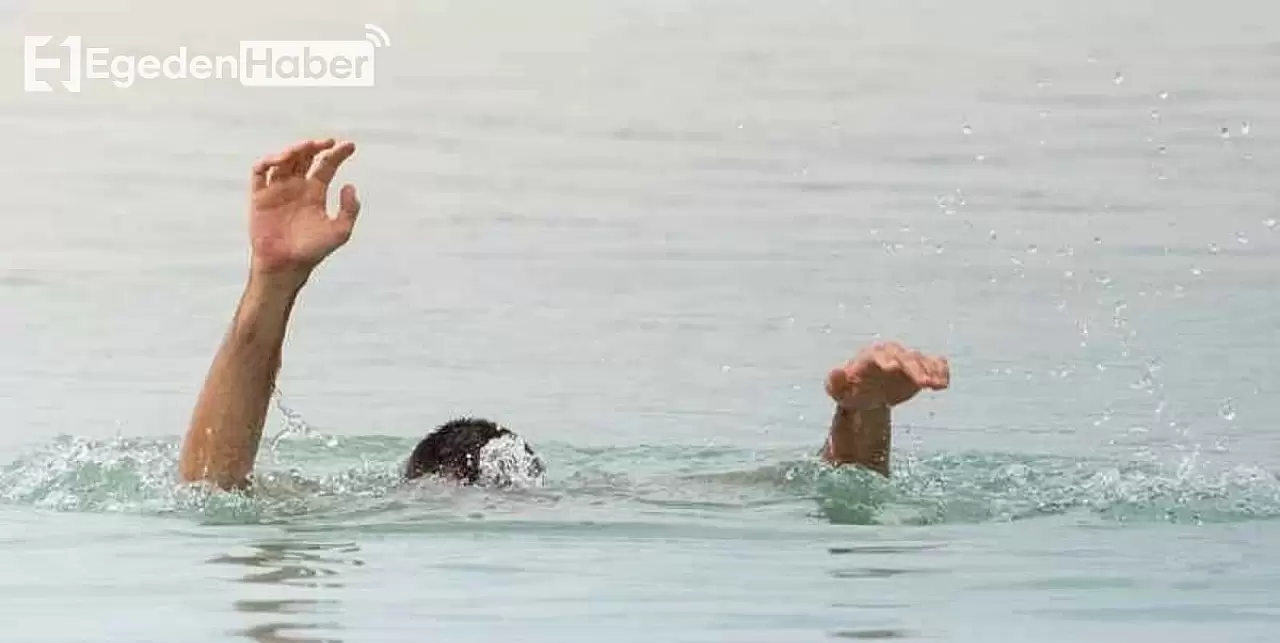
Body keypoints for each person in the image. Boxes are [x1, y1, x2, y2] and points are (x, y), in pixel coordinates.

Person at [177, 138, 951, 491]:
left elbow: (209, 489)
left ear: (416, 486)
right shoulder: (615, 496)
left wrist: (268, 290)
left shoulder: (377, 510)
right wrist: (859, 421)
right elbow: (827, 491)